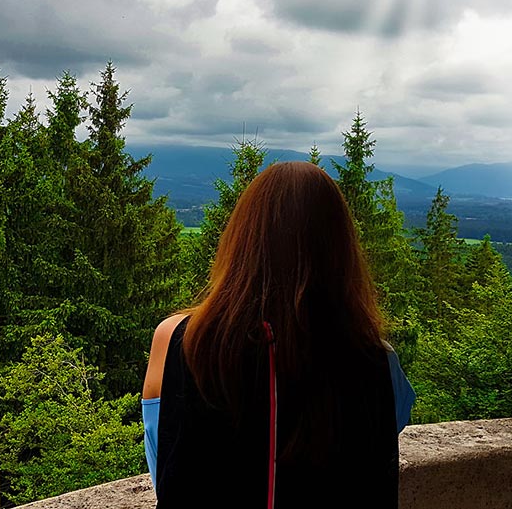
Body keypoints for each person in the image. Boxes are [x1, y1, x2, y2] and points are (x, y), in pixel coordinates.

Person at [142, 161, 414, 508]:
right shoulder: (377, 360)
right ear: (340, 250)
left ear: (242, 241)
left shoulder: (180, 339)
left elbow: (163, 462)